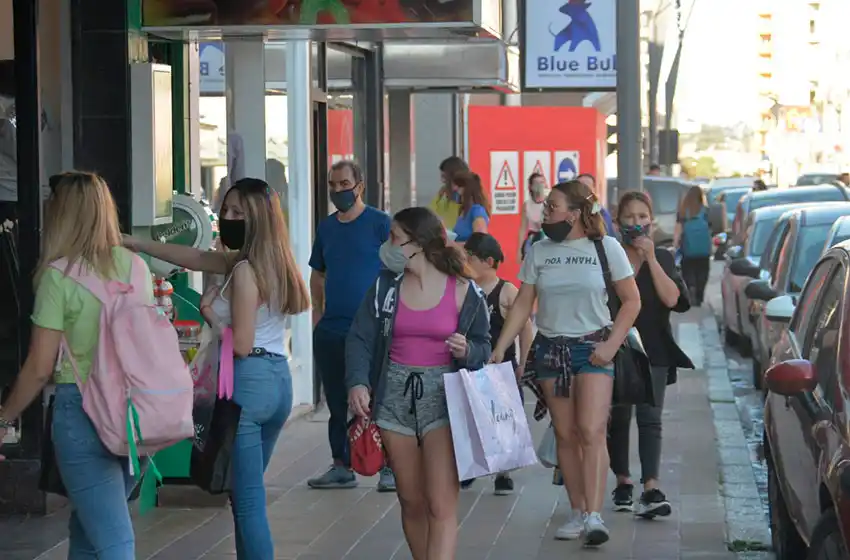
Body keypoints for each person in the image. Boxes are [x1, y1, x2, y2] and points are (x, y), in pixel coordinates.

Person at [124, 176, 310, 559]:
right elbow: (193, 258)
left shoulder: (243, 271)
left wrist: (209, 312)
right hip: (277, 382)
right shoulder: (272, 262)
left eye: (237, 212)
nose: (227, 217)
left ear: (257, 217)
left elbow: (240, 344)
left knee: (247, 504)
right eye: (225, 209)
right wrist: (135, 243)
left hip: (247, 384)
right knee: (246, 493)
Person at [0, 172, 155, 557]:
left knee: (113, 539)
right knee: (88, 527)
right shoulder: (134, 267)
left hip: (81, 412)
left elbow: (39, 367)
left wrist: (3, 418)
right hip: (132, 412)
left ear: (62, 215)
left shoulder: (57, 277)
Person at [491, 180, 641, 547]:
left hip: (592, 349)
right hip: (550, 350)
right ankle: (577, 510)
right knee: (566, 435)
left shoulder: (606, 248)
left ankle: (593, 514)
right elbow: (524, 303)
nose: (545, 213)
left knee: (591, 430)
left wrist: (610, 347)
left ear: (574, 213)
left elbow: (631, 301)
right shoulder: (539, 251)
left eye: (552, 207)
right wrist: (501, 348)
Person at [346, 206, 491, 559]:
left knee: (440, 503)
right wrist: (358, 383)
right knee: (410, 500)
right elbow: (360, 338)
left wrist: (467, 349)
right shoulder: (386, 287)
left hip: (445, 398)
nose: (388, 245)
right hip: (394, 394)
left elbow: (484, 346)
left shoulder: (463, 290)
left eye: (395, 237)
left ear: (418, 243)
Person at [308, 160, 396, 492]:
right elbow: (318, 273)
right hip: (332, 329)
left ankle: (388, 465)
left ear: (359, 185)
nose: (338, 191)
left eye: (344, 184)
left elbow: (396, 268)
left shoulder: (380, 224)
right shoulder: (327, 228)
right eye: (333, 185)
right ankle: (341, 464)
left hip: (372, 330)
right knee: (336, 401)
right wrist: (318, 314)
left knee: (377, 396)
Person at [607, 191, 694, 518]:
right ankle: (623, 480)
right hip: (619, 344)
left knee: (650, 417)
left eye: (642, 217)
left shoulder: (665, 257)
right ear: (618, 223)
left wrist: (652, 259)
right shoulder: (611, 257)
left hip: (654, 347)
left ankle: (651, 486)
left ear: (652, 221)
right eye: (629, 217)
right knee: (619, 416)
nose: (636, 223)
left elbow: (673, 300)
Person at [465, 232, 534, 496]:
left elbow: (525, 328)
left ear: (489, 261)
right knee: (472, 417)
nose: (466, 262)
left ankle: (503, 472)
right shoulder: (465, 288)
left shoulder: (506, 290)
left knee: (503, 420)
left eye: (471, 257)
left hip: (501, 366)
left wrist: (524, 362)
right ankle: (471, 466)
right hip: (472, 363)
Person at [673, 186, 712, 306]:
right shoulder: (706, 211)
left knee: (688, 270)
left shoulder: (684, 212)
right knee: (703, 272)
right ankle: (699, 296)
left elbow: (678, 230)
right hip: (704, 250)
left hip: (688, 249)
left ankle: (690, 287)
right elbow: (711, 229)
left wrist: (675, 245)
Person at [428, 156, 469, 230]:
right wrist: (439, 196)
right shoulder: (445, 198)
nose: (442, 181)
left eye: (444, 177)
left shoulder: (468, 201)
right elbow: (429, 215)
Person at [451, 170, 490, 242]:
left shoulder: (477, 211)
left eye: (458, 189)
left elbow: (480, 242)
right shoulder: (463, 211)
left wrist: (455, 245)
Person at [517, 173, 547, 262]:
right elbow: (523, 228)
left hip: (547, 239)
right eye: (536, 183)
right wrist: (519, 250)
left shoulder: (550, 202)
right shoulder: (527, 205)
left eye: (542, 182)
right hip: (533, 240)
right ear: (531, 187)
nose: (540, 186)